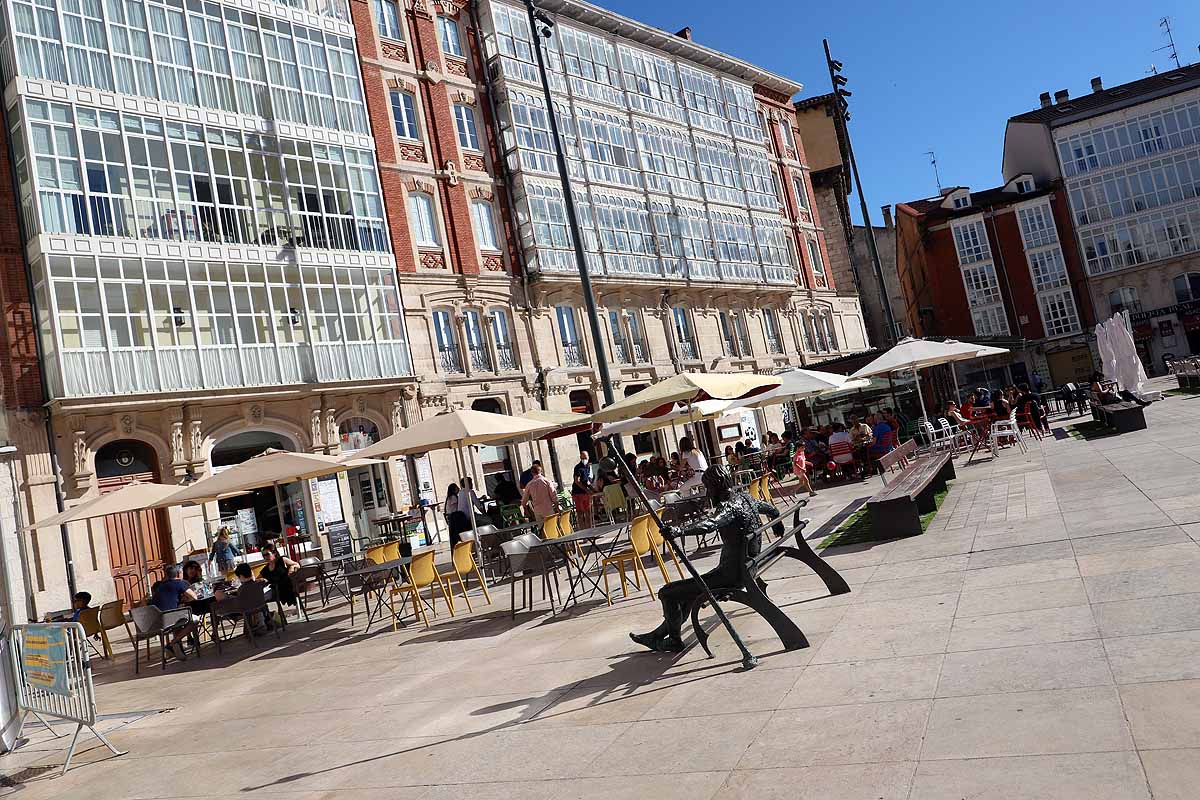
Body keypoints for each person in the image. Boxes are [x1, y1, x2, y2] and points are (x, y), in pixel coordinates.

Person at [629, 465, 783, 653]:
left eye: (708, 488)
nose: (708, 493)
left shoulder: (729, 506)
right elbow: (772, 510)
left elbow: (710, 524)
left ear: (716, 486)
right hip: (748, 567)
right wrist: (778, 526)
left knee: (667, 593)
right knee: (686, 594)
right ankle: (657, 636)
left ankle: (674, 641)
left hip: (731, 576)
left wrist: (679, 530)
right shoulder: (746, 498)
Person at [149, 564, 198, 661]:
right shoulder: (180, 583)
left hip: (155, 622)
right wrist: (186, 600)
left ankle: (178, 647)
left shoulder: (159, 586)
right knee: (195, 621)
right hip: (169, 619)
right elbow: (194, 597)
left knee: (179, 622)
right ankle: (173, 644)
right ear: (179, 574)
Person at [258, 543, 299, 617]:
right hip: (275, 590)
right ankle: (265, 618)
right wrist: (262, 579)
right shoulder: (266, 569)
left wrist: (292, 567)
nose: (265, 557)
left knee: (259, 599)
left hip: (287, 588)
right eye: (263, 555)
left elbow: (297, 564)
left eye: (267, 554)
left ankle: (265, 618)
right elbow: (257, 579)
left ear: (274, 553)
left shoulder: (282, 560)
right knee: (258, 598)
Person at [572, 450, 596, 527]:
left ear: (588, 457)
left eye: (585, 458)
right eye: (582, 458)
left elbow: (587, 481)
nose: (584, 460)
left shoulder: (588, 467)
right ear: (580, 458)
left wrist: (593, 489)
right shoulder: (578, 468)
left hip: (585, 492)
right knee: (580, 512)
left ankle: (589, 528)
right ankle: (582, 530)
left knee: (588, 511)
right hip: (578, 492)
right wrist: (587, 490)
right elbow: (577, 481)